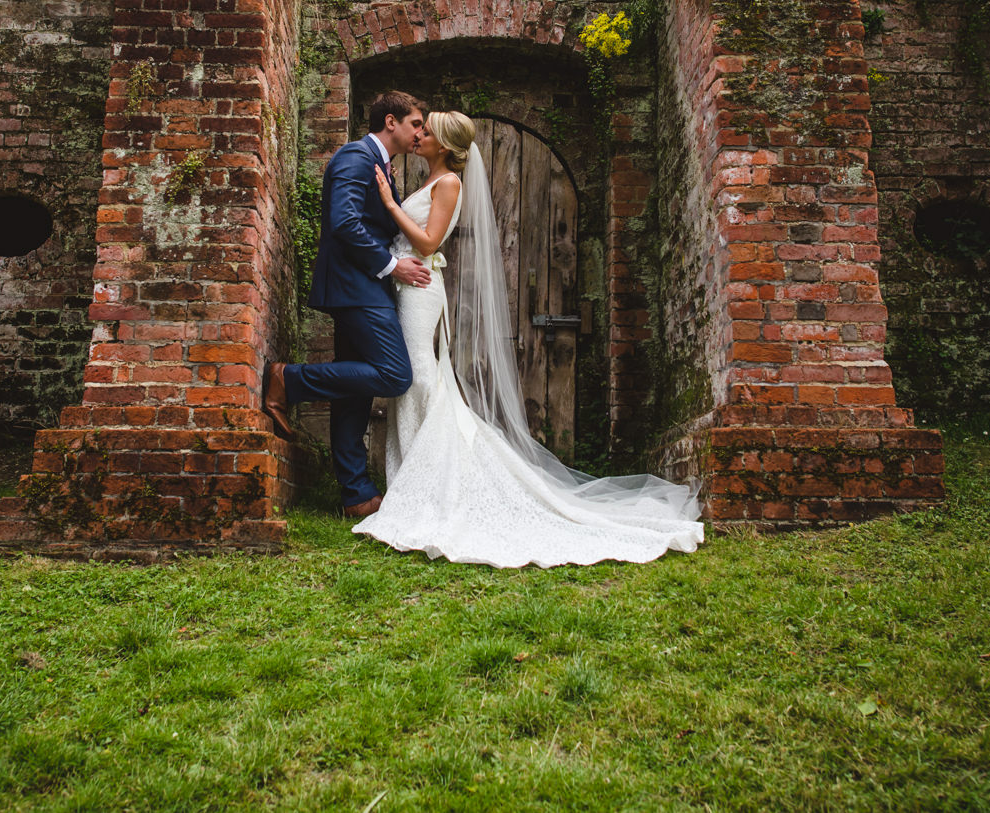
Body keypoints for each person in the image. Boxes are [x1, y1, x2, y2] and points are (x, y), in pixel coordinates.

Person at [353, 111, 705, 567]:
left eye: (428, 131)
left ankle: (429, 478)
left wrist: (388, 203)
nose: (418, 135)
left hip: (419, 288)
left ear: (445, 143)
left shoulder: (450, 185)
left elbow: (427, 243)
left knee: (420, 374)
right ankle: (411, 479)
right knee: (417, 376)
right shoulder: (429, 180)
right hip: (405, 286)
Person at [265, 92, 432, 518]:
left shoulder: (379, 165)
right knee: (395, 375)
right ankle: (290, 381)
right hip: (357, 287)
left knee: (354, 394)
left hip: (364, 287)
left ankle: (356, 493)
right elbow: (344, 223)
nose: (420, 133)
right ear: (390, 122)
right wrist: (393, 266)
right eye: (416, 124)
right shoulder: (355, 157)